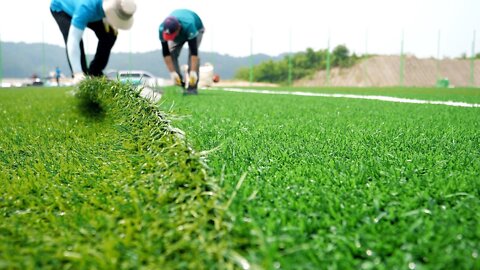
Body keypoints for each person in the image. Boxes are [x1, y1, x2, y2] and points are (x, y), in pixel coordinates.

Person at [50, 0, 137, 84]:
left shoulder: (115, 6)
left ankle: (95, 72)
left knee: (110, 34)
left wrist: (107, 20)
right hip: (62, 8)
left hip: (93, 10)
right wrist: (77, 72)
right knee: (77, 40)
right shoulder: (86, 8)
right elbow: (73, 40)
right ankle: (81, 77)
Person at [159, 9, 205, 94]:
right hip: (181, 32)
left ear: (178, 28)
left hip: (197, 29)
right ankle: (179, 82)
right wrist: (172, 72)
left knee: (191, 57)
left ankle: (192, 87)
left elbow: (194, 53)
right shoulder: (162, 29)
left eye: (172, 35)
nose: (171, 38)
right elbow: (166, 53)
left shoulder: (189, 25)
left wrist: (193, 72)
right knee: (171, 53)